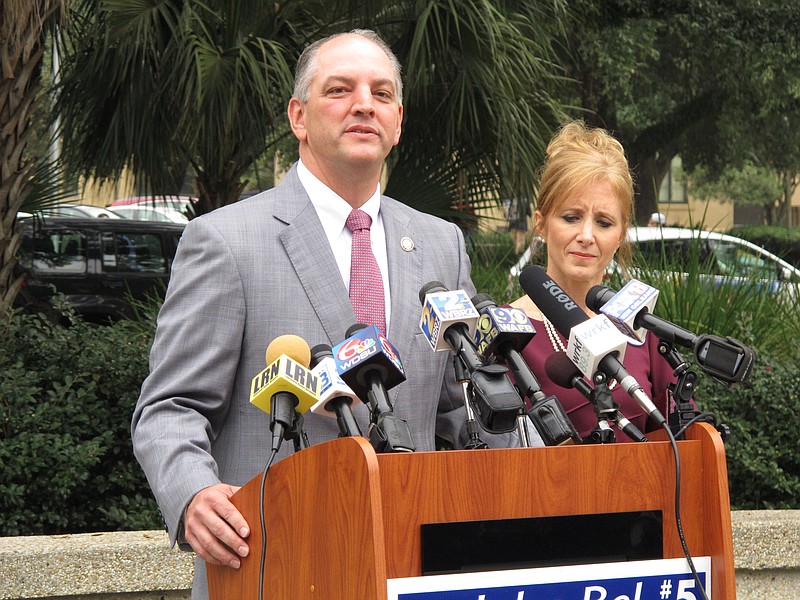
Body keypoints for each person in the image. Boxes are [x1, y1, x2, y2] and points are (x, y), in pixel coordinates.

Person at [131, 29, 522, 600]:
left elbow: (451, 409)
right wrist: (193, 495)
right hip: (274, 563)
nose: (364, 103)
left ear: (398, 122)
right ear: (299, 117)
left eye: (382, 93)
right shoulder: (226, 242)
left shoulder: (441, 245)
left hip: (419, 566)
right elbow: (169, 408)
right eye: (340, 89)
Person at [510, 121, 678, 441]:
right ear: (541, 224)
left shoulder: (644, 330)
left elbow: (678, 443)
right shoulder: (506, 334)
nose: (586, 236)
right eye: (571, 217)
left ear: (620, 236)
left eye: (603, 222)